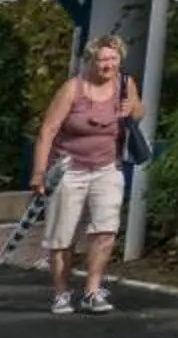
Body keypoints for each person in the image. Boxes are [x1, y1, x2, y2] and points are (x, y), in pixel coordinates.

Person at [30, 33, 141, 315]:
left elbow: (139, 112)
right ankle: (61, 292)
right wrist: (40, 172)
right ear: (91, 60)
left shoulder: (125, 84)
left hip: (107, 167)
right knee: (62, 236)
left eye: (113, 59)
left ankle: (92, 290)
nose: (108, 65)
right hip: (70, 168)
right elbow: (48, 130)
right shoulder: (73, 89)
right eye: (102, 59)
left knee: (105, 230)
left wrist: (133, 109)